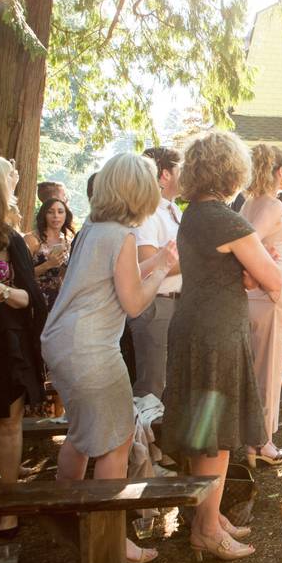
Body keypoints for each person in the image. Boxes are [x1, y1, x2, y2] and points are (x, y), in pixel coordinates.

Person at [41, 153, 178, 563]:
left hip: (62, 342)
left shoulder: (94, 230)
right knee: (116, 442)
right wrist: (164, 270)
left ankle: (65, 518)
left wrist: (156, 260)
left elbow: (119, 276)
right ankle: (109, 539)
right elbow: (135, 301)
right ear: (136, 191)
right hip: (92, 349)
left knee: (82, 436)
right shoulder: (122, 236)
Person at [160, 131, 282, 561]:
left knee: (202, 430)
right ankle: (207, 531)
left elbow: (238, 272)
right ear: (231, 170)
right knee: (218, 434)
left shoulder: (193, 214)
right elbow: (273, 281)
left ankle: (205, 516)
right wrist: (259, 262)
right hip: (217, 333)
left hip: (191, 325)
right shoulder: (227, 220)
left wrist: (248, 268)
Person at [0, 169, 47, 539]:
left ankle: (9, 515)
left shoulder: (9, 240)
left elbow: (32, 300)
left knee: (7, 426)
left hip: (4, 344)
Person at [241, 144, 282, 466]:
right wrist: (264, 271)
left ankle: (253, 442)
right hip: (268, 296)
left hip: (255, 297)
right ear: (279, 171)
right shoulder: (272, 205)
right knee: (268, 371)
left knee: (256, 371)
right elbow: (250, 241)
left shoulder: (249, 203)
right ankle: (263, 443)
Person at [125, 147, 183, 400]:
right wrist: (199, 260)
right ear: (165, 175)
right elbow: (147, 262)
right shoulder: (147, 213)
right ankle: (144, 440)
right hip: (157, 305)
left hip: (178, 303)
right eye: (180, 168)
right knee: (152, 385)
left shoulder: (173, 210)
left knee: (171, 383)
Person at [24, 198, 75, 310]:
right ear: (44, 215)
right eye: (50, 212)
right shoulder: (32, 239)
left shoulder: (69, 241)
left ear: (66, 215)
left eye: (60, 212)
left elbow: (65, 276)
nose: (56, 216)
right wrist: (48, 264)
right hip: (34, 297)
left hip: (60, 300)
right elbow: (22, 274)